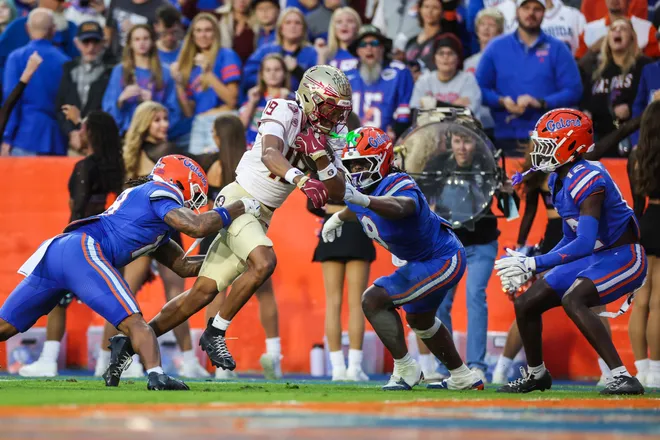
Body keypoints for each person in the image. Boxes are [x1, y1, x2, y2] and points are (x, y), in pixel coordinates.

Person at [102, 65, 352, 383]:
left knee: (202, 292)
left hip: (262, 215)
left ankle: (128, 343)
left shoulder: (327, 136)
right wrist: (302, 179)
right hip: (238, 201)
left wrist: (319, 159)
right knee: (264, 262)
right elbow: (271, 153)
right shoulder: (285, 108)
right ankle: (215, 332)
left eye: (339, 109)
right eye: (329, 106)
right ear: (309, 97)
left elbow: (338, 190)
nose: (333, 116)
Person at [0, 153, 261, 390]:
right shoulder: (160, 191)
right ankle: (157, 375)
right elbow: (196, 226)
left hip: (60, 250)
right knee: (134, 320)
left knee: (6, 325)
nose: (194, 200)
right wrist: (239, 207)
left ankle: (152, 371)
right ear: (181, 181)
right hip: (83, 249)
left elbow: (184, 266)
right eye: (195, 192)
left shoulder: (153, 220)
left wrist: (235, 261)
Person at [494, 108, 647, 395]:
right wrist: (533, 265)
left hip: (623, 255)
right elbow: (570, 237)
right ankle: (537, 374)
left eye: (545, 145)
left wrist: (534, 262)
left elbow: (585, 243)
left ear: (569, 145)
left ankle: (622, 375)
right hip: (597, 256)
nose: (538, 151)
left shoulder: (589, 177)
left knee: (574, 298)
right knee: (527, 302)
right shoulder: (557, 179)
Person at [320, 126, 484, 391]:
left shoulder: (399, 183)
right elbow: (357, 204)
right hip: (425, 260)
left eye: (363, 162)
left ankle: (406, 368)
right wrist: (339, 217)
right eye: (352, 164)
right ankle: (462, 376)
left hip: (442, 257)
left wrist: (364, 199)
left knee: (373, 299)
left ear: (382, 160)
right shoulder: (361, 187)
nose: (358, 169)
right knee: (420, 320)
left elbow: (400, 206)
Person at [92, 101, 210, 379]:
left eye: (166, 118)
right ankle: (105, 356)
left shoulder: (169, 155)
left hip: (168, 227)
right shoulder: (132, 156)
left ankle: (189, 360)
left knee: (178, 293)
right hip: (140, 231)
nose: (164, 125)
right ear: (143, 123)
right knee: (124, 295)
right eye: (157, 120)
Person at [18, 110, 124, 377]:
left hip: (79, 242)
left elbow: (78, 210)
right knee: (114, 303)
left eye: (82, 129)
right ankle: (105, 363)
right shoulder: (119, 167)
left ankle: (49, 360)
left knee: (56, 299)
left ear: (91, 135)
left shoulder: (85, 167)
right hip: (111, 242)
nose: (77, 132)